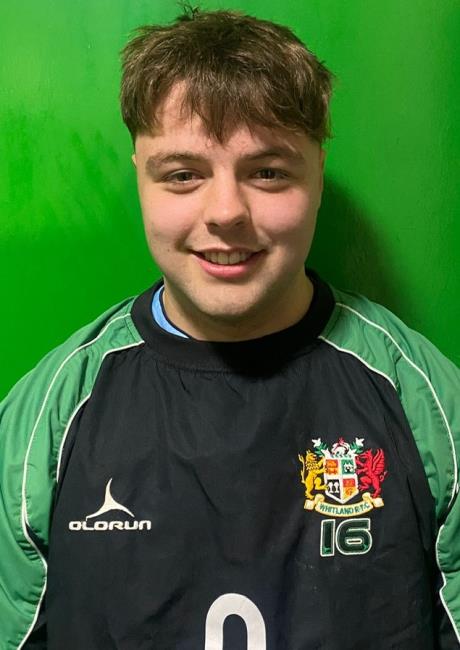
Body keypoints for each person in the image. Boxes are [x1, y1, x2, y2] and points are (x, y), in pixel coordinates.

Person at [1, 7, 459, 649]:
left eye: (268, 171)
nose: (225, 212)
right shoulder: (45, 421)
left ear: (318, 170)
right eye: (183, 174)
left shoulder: (428, 405)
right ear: (140, 175)